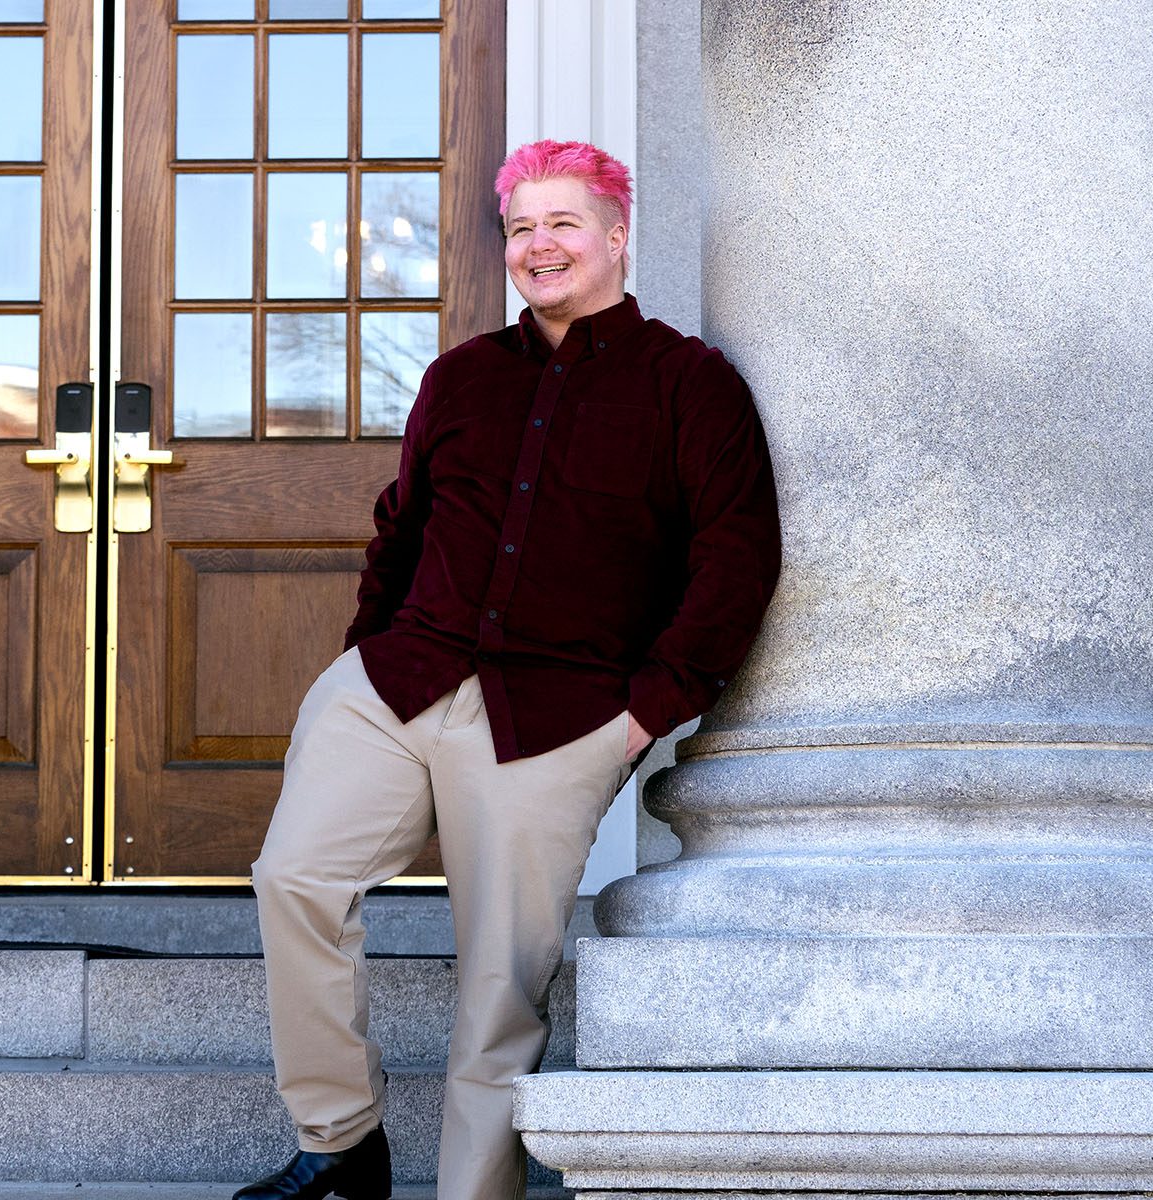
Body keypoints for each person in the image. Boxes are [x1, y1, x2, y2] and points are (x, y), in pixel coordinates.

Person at [236, 140, 781, 1200]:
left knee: (501, 984)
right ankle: (340, 1146)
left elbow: (736, 558)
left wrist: (645, 717)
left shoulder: (690, 385)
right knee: (295, 877)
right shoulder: (461, 377)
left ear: (616, 236)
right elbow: (401, 530)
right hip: (399, 685)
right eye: (523, 228)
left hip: (564, 712)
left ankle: (472, 1195)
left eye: (563, 224)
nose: (540, 247)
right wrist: (366, 653)